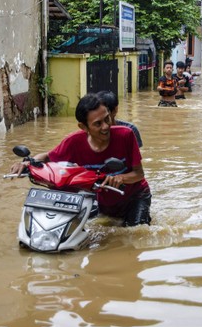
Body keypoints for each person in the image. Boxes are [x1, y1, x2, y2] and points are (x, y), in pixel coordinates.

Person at [9, 93, 151, 227]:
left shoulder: (126, 135)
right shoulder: (74, 142)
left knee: (134, 235)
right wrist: (28, 163)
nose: (106, 126)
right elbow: (47, 157)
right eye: (98, 123)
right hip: (104, 202)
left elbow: (139, 174)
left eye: (107, 119)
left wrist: (120, 178)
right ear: (83, 127)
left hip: (135, 197)